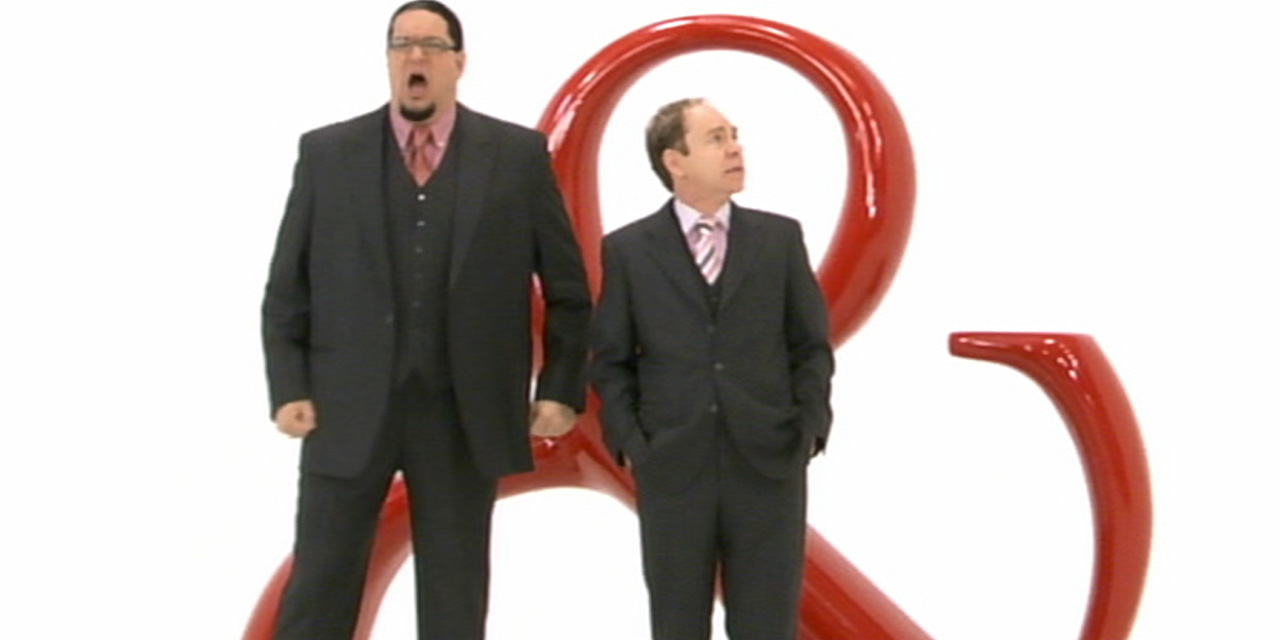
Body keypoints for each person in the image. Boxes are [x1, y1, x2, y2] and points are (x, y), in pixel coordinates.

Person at [260, 2, 590, 639]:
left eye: (432, 46)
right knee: (320, 586)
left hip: (463, 412)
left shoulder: (516, 156)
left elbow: (568, 289)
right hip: (346, 406)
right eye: (402, 44)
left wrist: (558, 388)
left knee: (454, 597)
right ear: (388, 59)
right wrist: (290, 386)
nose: (416, 57)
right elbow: (287, 285)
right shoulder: (328, 153)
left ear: (458, 63)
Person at [590, 98, 834, 640]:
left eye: (734, 135)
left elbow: (811, 346)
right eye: (716, 138)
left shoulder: (779, 239)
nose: (734, 148)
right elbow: (611, 361)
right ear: (674, 161)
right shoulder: (629, 250)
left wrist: (808, 429)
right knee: (677, 624)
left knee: (768, 625)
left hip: (768, 463)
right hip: (673, 468)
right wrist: (633, 443)